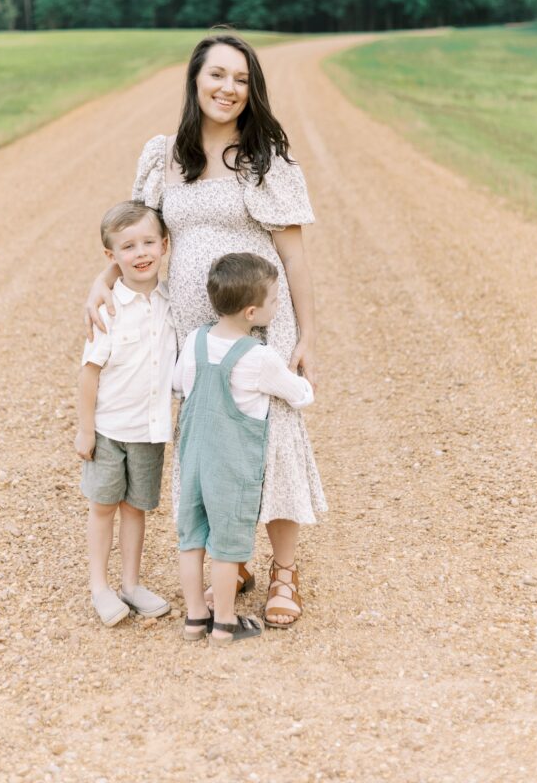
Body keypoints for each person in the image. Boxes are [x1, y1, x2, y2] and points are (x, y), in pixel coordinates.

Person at [85, 31, 326, 628]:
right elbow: (137, 232)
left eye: (242, 80)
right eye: (218, 75)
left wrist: (309, 334)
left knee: (272, 437)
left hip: (258, 322)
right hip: (191, 327)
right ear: (196, 80)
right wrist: (102, 279)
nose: (229, 89)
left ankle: (285, 572)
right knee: (210, 446)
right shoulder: (164, 154)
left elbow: (294, 257)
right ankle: (230, 558)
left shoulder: (266, 159)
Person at [175, 253, 314, 645]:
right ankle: (223, 623)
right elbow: (298, 395)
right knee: (226, 544)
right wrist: (306, 385)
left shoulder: (195, 341)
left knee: (191, 539)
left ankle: (193, 617)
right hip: (232, 468)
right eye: (274, 301)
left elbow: (178, 384)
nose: (278, 306)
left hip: (194, 462)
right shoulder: (260, 357)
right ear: (252, 312)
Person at [75, 201, 176, 627]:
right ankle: (100, 586)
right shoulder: (108, 308)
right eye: (128, 246)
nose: (140, 253)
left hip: (149, 430)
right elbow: (89, 374)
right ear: (111, 258)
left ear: (165, 245)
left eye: (148, 242)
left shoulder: (172, 303)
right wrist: (85, 430)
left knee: (136, 508)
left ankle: (131, 584)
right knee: (103, 506)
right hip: (109, 429)